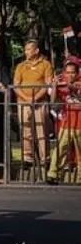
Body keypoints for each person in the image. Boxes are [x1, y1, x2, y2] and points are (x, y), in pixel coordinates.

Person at [13, 39, 54, 168]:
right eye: (25, 50)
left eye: (29, 49)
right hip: (23, 102)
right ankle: (27, 158)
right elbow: (16, 85)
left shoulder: (46, 64)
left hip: (40, 102)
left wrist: (35, 98)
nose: (26, 52)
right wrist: (26, 98)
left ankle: (44, 158)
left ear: (36, 50)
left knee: (42, 130)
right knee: (26, 130)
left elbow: (48, 83)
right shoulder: (20, 66)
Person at [47, 56, 81, 184]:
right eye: (67, 72)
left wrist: (74, 86)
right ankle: (52, 174)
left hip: (80, 124)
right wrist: (55, 86)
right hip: (67, 123)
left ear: (77, 72)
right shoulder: (63, 85)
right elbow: (53, 101)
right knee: (60, 148)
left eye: (73, 72)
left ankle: (80, 178)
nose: (70, 75)